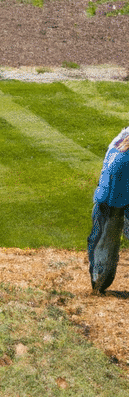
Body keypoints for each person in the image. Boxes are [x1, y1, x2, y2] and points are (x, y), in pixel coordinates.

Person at [88, 125, 129, 293]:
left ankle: (99, 278)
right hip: (114, 193)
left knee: (103, 237)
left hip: (106, 193)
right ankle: (100, 278)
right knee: (107, 233)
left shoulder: (122, 135)